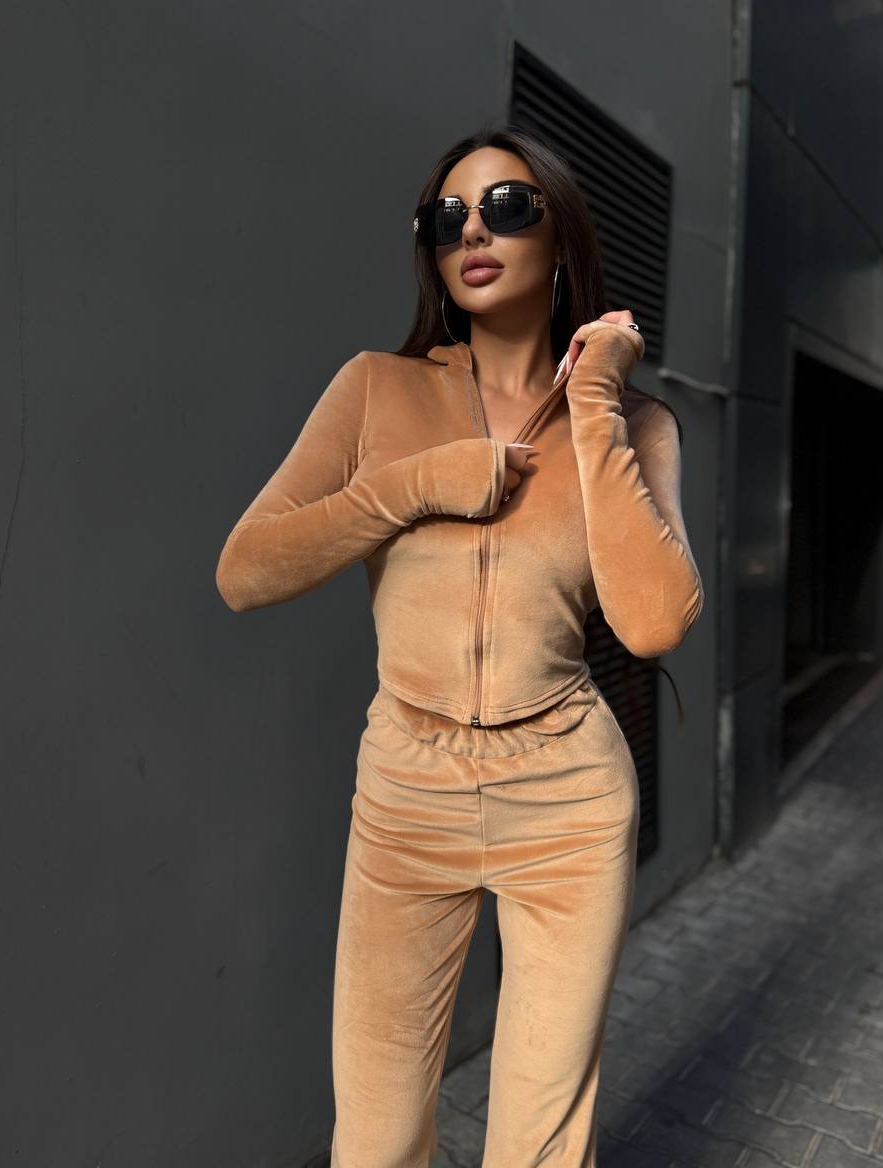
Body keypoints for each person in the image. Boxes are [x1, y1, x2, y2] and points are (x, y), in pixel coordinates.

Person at [215, 122, 704, 1166]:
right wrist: (415, 485)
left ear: (560, 235)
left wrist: (596, 404)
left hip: (567, 797)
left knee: (538, 1146)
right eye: (448, 218)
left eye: (507, 207)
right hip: (408, 790)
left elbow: (655, 619)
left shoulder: (634, 422)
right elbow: (245, 570)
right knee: (377, 1137)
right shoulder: (375, 390)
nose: (473, 231)